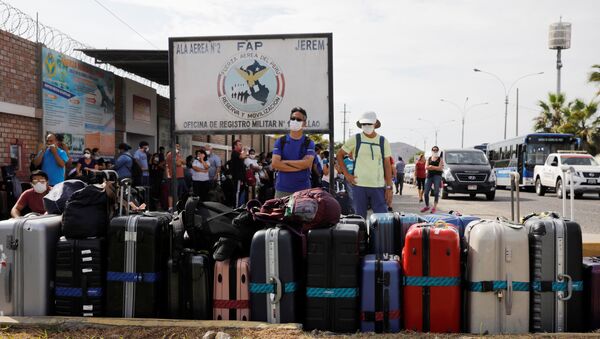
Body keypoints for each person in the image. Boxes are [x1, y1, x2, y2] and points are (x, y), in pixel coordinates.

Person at [336, 111, 393, 219]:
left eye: (369, 124)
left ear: (375, 124)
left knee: (382, 219)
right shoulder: (356, 139)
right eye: (364, 124)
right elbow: (339, 155)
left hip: (378, 187)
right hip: (359, 186)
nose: (366, 126)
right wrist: (347, 175)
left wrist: (389, 187)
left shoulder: (382, 141)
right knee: (359, 220)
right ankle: (361, 237)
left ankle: (378, 236)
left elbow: (387, 164)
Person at [271, 107, 316, 198]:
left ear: (304, 124)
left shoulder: (309, 143)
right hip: (282, 189)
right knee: (280, 213)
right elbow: (275, 164)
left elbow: (307, 163)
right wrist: (300, 166)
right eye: (293, 119)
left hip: (303, 190)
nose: (295, 121)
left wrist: (284, 162)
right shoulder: (280, 141)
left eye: (298, 119)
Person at [421, 146, 444, 213]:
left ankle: (434, 207)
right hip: (429, 176)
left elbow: (440, 168)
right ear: (432, 150)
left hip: (437, 176)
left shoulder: (440, 159)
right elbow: (426, 167)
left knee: (436, 192)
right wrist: (434, 167)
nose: (435, 151)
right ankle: (427, 206)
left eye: (436, 150)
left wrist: (431, 166)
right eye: (433, 150)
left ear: (438, 151)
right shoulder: (429, 158)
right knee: (426, 193)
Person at [166, 144, 188, 211]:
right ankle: (170, 208)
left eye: (178, 146)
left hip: (180, 177)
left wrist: (180, 161)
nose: (178, 148)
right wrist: (180, 161)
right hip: (173, 177)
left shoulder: (178, 155)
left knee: (179, 193)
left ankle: (177, 206)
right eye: (176, 146)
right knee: (172, 193)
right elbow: (178, 163)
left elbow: (184, 162)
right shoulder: (170, 154)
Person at [229, 140, 247, 207]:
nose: (241, 146)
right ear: (235, 146)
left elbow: (243, 157)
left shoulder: (239, 153)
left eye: (241, 144)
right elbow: (242, 156)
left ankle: (237, 205)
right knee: (237, 192)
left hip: (241, 176)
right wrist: (245, 150)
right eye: (239, 144)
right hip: (237, 176)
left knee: (239, 191)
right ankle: (235, 207)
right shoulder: (234, 152)